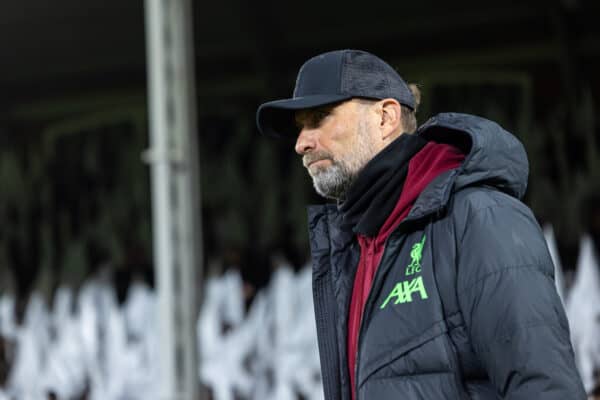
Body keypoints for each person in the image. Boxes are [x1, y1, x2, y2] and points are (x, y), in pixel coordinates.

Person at [256, 49, 587, 399]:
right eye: (299, 129)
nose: (301, 143)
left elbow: (545, 387)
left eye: (320, 117)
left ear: (385, 118)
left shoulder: (479, 218)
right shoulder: (357, 245)